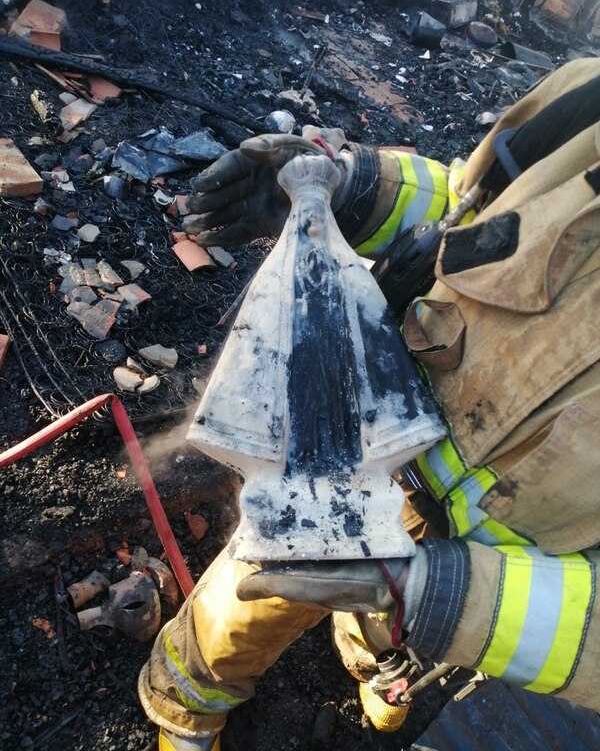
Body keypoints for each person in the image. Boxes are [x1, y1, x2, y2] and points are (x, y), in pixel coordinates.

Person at [139, 57, 600, 751]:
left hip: (489, 569)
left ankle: (375, 664)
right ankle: (184, 712)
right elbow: (475, 206)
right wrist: (353, 193)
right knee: (246, 601)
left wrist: (446, 598)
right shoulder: (586, 98)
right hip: (359, 439)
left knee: (389, 636)